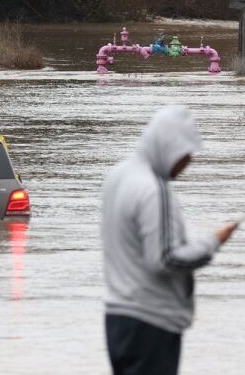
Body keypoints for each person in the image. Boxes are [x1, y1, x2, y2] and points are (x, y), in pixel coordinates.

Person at [101, 105, 238, 375]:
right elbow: (165, 259)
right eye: (185, 154)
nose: (188, 162)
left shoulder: (117, 177)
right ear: (169, 146)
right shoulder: (153, 189)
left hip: (117, 319)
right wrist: (213, 242)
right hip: (151, 322)